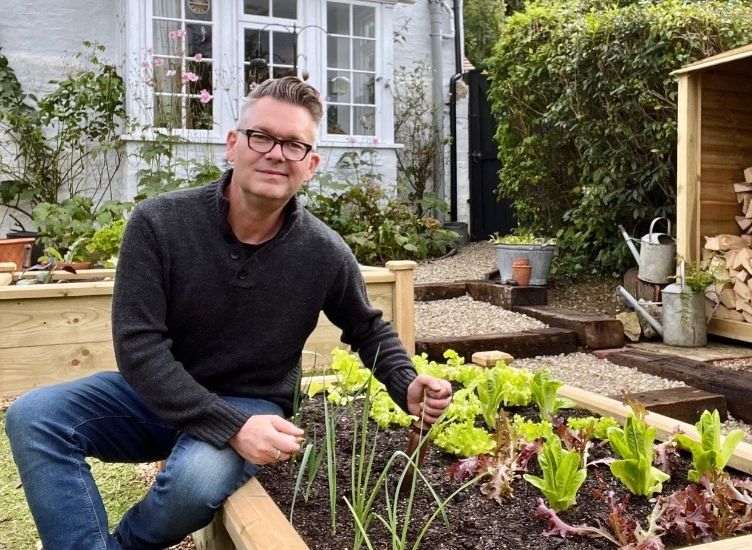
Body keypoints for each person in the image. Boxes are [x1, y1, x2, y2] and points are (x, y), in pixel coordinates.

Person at [5, 76, 452, 550]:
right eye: (262, 136)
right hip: (158, 397)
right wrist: (229, 427)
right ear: (233, 145)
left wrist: (406, 382)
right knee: (36, 415)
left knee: (196, 481)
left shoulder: (323, 252)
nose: (277, 153)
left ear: (311, 165)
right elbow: (139, 349)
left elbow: (368, 329)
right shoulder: (159, 223)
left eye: (295, 145)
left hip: (251, 403)